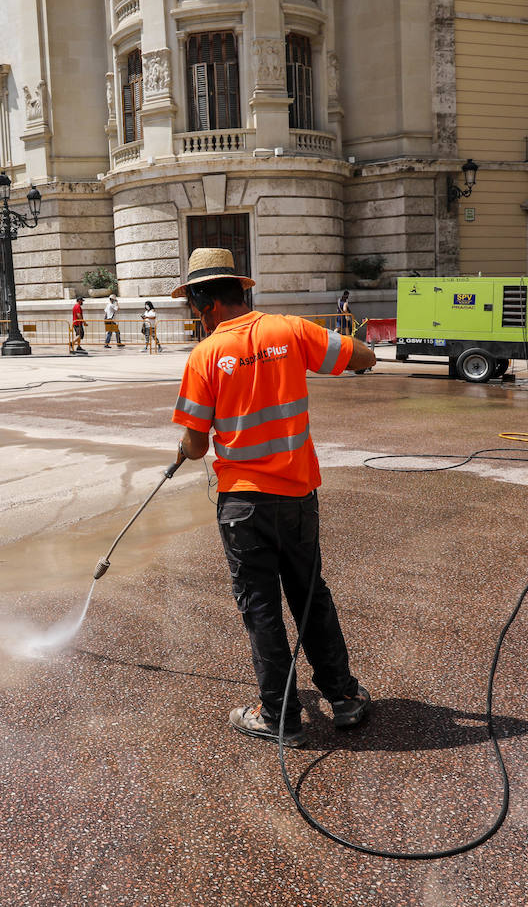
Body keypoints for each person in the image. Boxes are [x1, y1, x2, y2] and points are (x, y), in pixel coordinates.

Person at [170, 247, 375, 747]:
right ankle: (344, 698)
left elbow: (196, 445)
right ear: (241, 291)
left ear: (205, 304)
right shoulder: (291, 330)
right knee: (310, 595)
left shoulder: (204, 356)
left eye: (194, 307)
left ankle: (280, 716)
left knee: (260, 606)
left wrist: (183, 447)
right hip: (298, 495)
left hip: (243, 504)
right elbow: (363, 357)